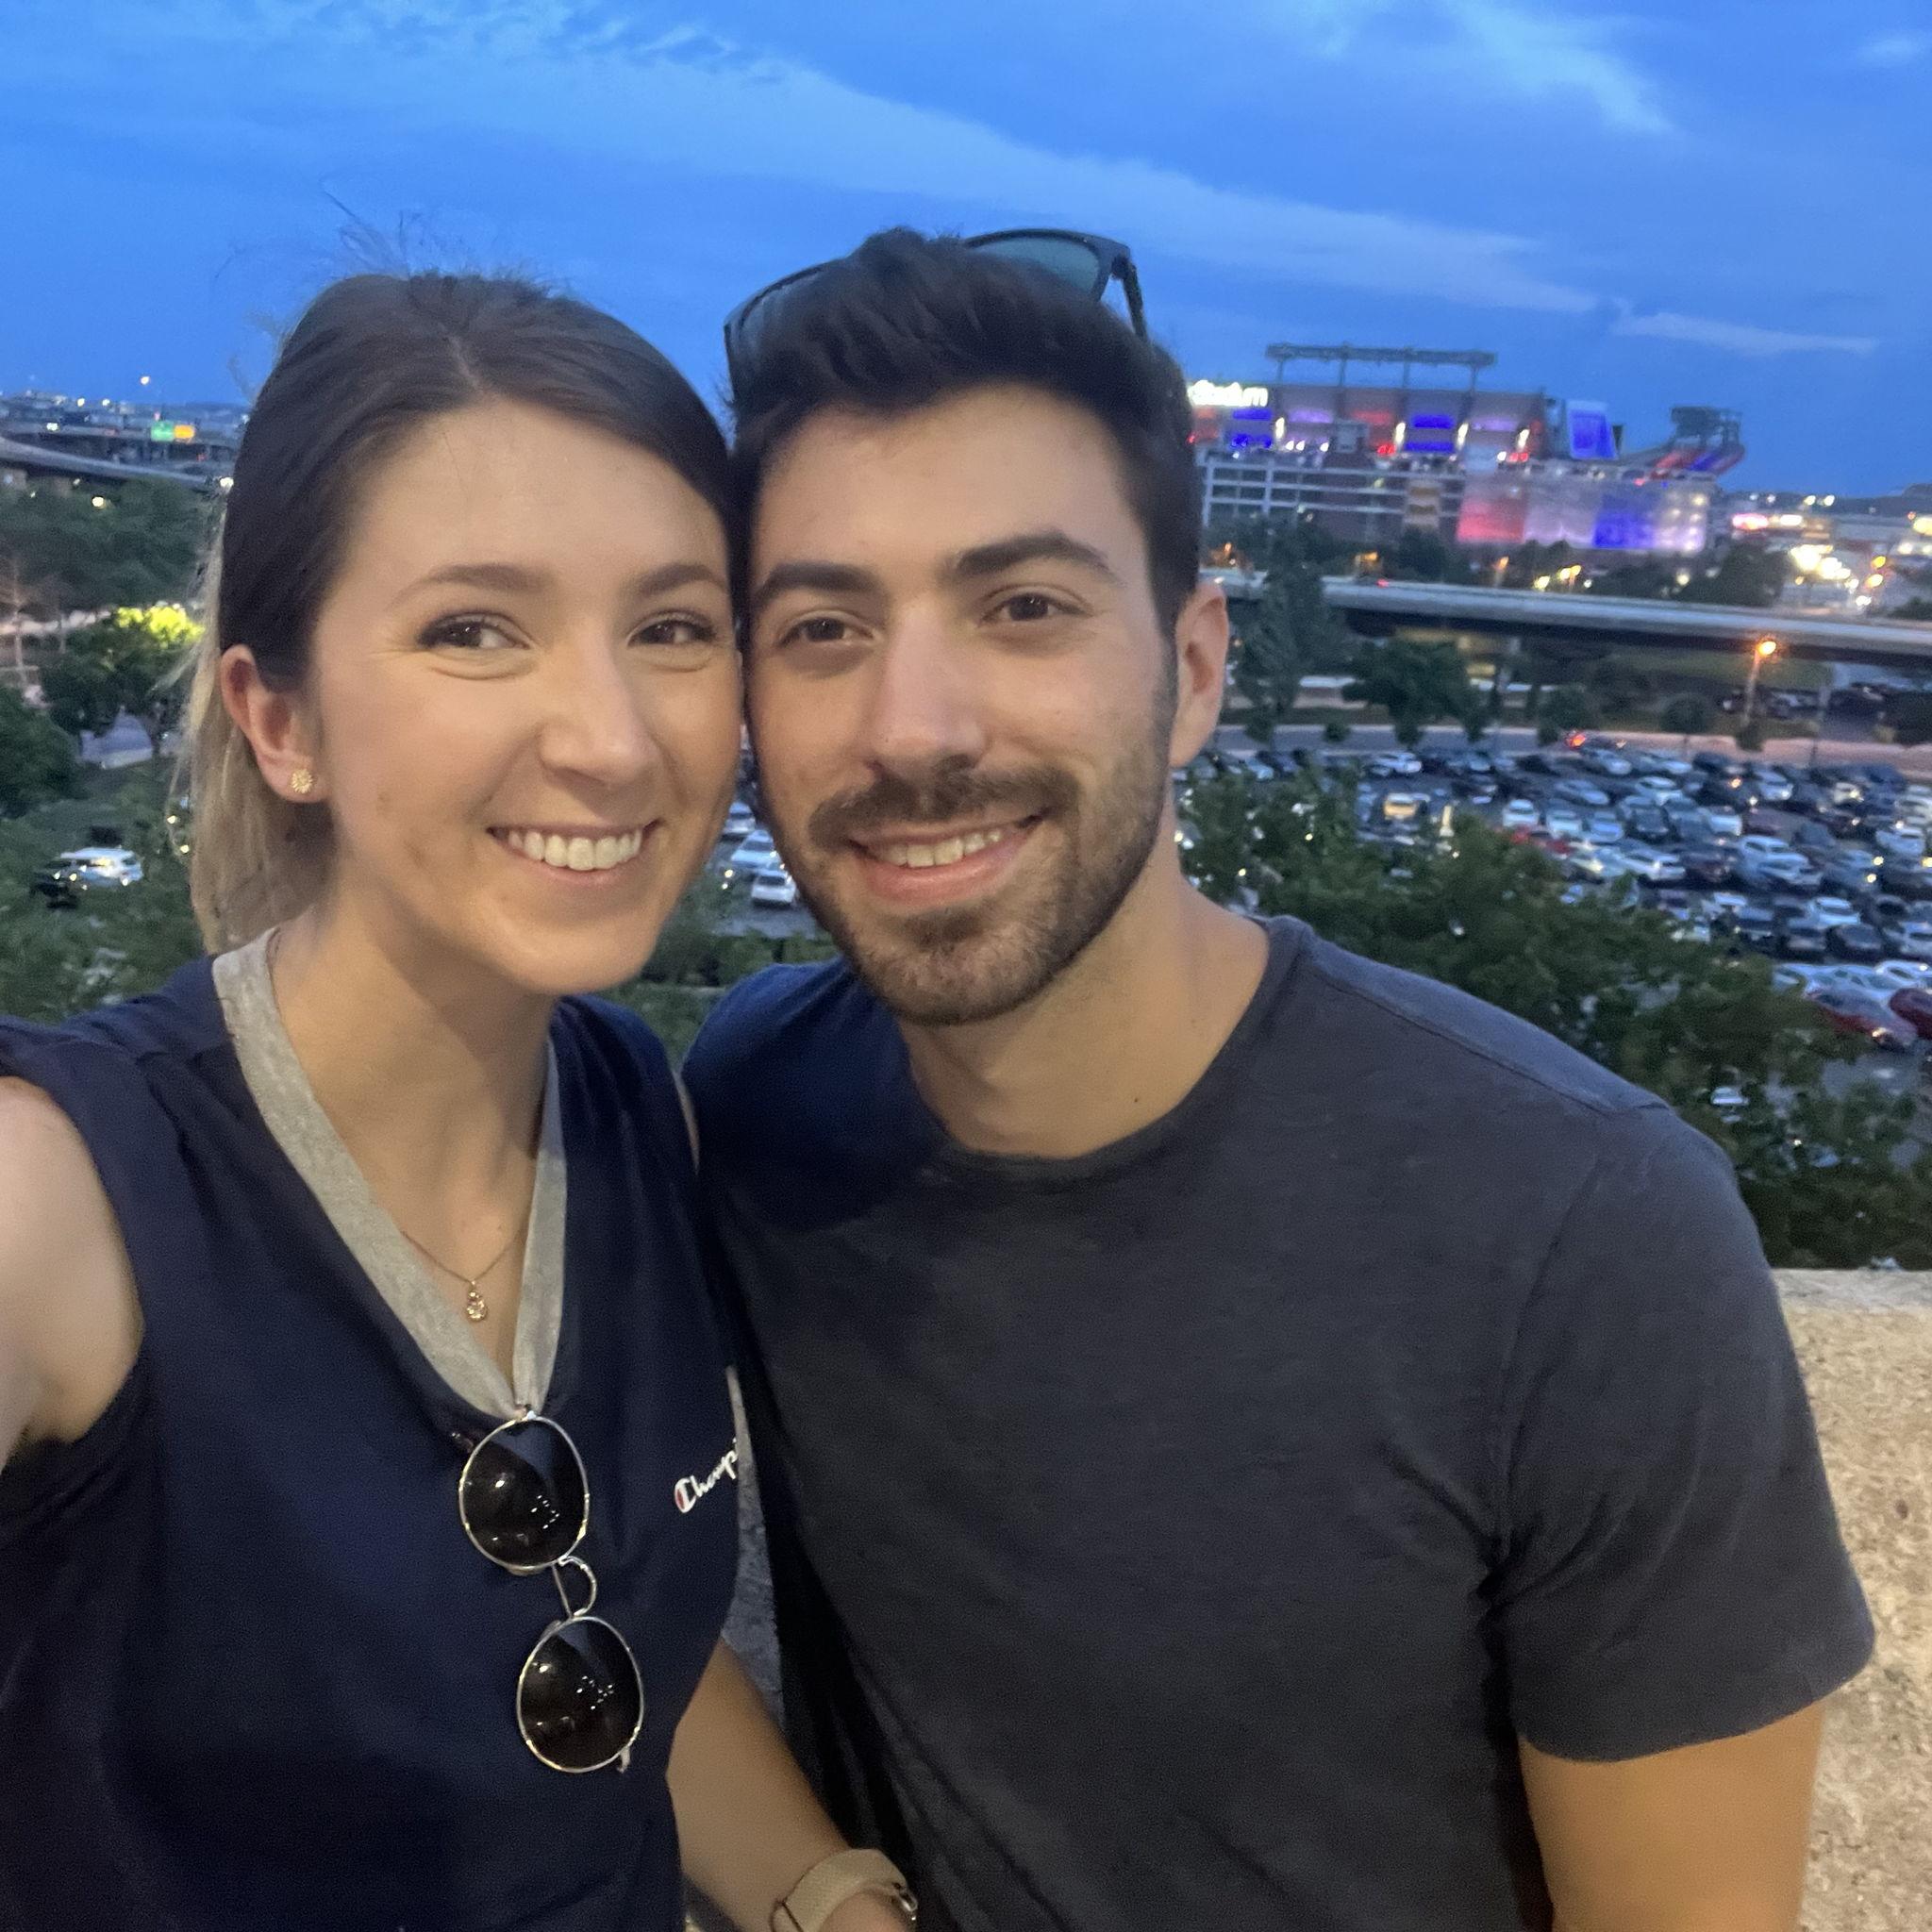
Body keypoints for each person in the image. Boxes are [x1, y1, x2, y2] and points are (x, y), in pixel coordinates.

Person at [683, 229, 1874, 1932]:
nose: (913, 727)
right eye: (820, 627)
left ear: (1189, 671)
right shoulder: (764, 1099)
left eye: (1023, 606)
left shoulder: (1579, 1239)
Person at [0, 272, 915, 1932]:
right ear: (280, 719)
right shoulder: (61, 1203)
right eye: (473, 629)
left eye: (672, 626)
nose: (614, 739)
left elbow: (614, 1632)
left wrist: (827, 1893)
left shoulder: (636, 1107)